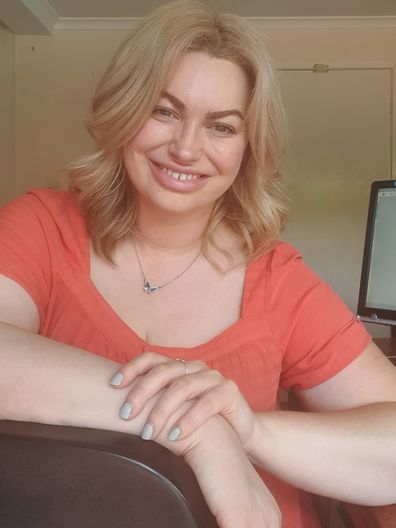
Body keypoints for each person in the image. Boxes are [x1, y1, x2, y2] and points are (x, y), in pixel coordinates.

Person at [0, 0, 395, 526]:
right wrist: (198, 429)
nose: (186, 148)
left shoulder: (277, 278)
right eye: (164, 111)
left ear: (248, 148)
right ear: (124, 113)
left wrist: (247, 430)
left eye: (221, 127)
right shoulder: (42, 227)